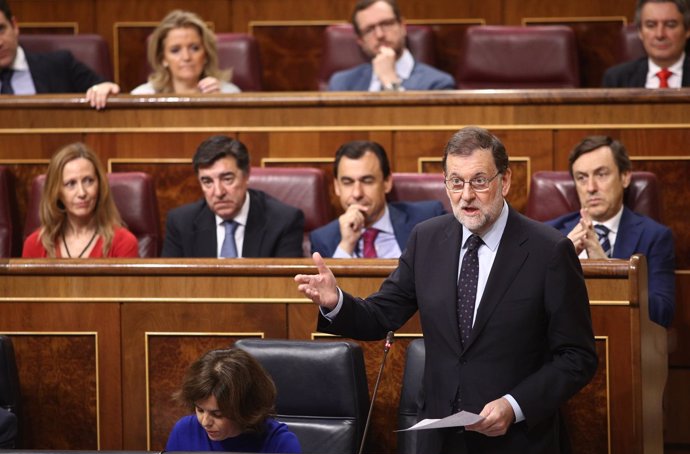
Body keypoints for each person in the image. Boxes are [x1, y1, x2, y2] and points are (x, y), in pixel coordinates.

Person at [295, 126, 597, 454]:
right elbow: (381, 316)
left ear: (505, 181)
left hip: (517, 441)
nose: (466, 195)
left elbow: (577, 357)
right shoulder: (427, 239)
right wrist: (335, 301)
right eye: (455, 181)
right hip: (439, 439)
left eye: (479, 181)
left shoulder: (549, 251)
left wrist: (515, 406)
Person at [546, 136, 676, 327]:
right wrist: (559, 263)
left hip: (622, 342)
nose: (591, 188)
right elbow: (525, 304)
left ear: (625, 177)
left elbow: (663, 313)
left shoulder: (655, 236)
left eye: (601, 174)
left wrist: (608, 269)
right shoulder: (550, 233)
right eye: (581, 178)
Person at [162, 135, 304, 258]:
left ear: (246, 174)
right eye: (207, 182)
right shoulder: (181, 223)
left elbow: (285, 286)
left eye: (227, 179)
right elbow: (171, 285)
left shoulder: (283, 221)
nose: (218, 192)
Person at [310, 140, 445, 258]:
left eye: (367, 181)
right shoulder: (323, 240)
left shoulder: (428, 218)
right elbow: (328, 287)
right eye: (347, 182)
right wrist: (347, 244)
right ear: (337, 187)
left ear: (386, 182)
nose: (357, 193)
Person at [166, 348, 301, 453]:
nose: (205, 422)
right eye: (200, 410)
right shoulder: (184, 431)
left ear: (244, 408)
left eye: (217, 414)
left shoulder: (279, 443)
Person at [22, 142, 139, 258]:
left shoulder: (124, 243)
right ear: (57, 192)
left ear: (100, 186)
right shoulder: (35, 245)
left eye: (88, 181)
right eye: (71, 183)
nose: (82, 193)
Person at [0, 0, 119, 109]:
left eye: (1, 29)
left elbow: (102, 86)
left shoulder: (61, 65)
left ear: (14, 26)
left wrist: (104, 88)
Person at [327, 0, 456, 91]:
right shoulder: (341, 83)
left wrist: (390, 82)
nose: (379, 35)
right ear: (361, 40)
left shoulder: (437, 84)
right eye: (369, 30)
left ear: (402, 26)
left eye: (386, 24)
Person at [131, 10, 240, 95]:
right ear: (163, 58)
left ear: (206, 54)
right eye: (175, 50)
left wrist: (220, 105)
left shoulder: (228, 93)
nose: (186, 57)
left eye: (194, 48)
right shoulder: (143, 96)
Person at [602, 0, 690, 87]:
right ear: (640, 31)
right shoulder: (617, 79)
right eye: (651, 25)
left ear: (687, 30)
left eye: (670, 25)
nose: (660, 35)